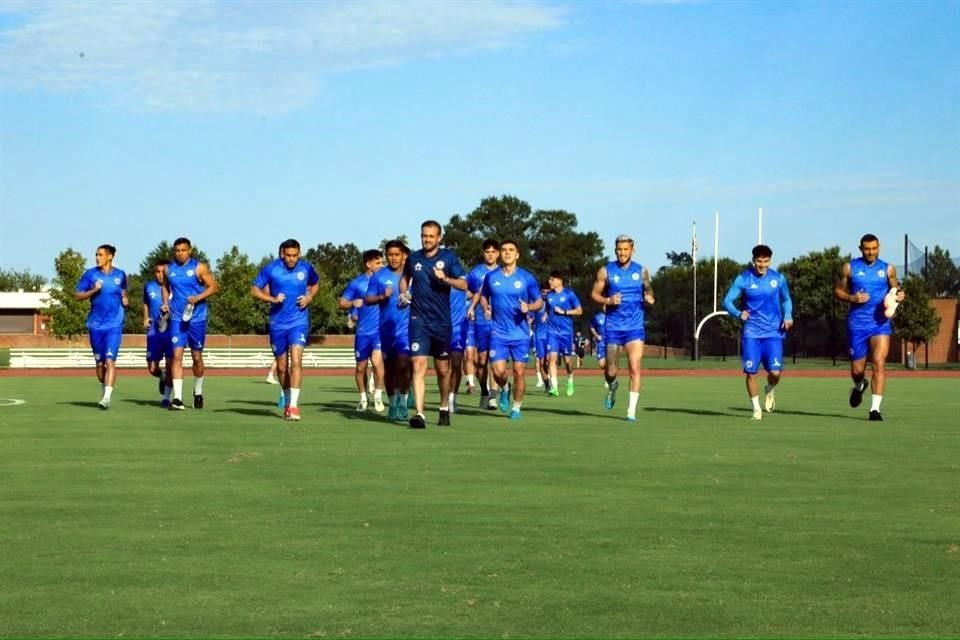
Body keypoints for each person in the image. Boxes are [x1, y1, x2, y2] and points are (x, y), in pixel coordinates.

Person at [400, 219, 467, 428]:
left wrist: (445, 279)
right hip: (418, 320)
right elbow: (404, 278)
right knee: (418, 365)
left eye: (431, 236)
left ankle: (444, 407)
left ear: (439, 237)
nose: (427, 239)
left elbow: (464, 284)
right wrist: (404, 292)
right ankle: (419, 414)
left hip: (442, 322)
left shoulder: (448, 257)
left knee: (443, 370)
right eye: (424, 235)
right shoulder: (413, 258)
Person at [834, 233, 905, 421]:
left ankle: (875, 410)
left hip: (880, 325)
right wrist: (852, 297)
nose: (871, 252)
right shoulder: (850, 267)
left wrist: (899, 295)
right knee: (857, 371)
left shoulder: (888, 269)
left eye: (874, 248)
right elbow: (838, 290)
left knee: (879, 362)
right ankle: (859, 385)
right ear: (861, 249)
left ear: (879, 247)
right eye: (867, 249)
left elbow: (896, 289)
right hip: (857, 325)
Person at [470, 238, 543, 420]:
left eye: (511, 250)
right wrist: (486, 307)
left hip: (520, 333)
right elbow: (484, 295)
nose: (507, 253)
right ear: (500, 254)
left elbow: (540, 301)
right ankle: (505, 387)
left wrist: (529, 307)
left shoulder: (527, 278)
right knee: (498, 372)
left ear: (517, 254)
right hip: (498, 332)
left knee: (519, 371)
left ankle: (516, 407)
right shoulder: (491, 277)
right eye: (504, 250)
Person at [251, 238, 320, 421]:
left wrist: (309, 297)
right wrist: (272, 299)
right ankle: (287, 399)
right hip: (277, 324)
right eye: (288, 255)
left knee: (296, 361)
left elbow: (315, 284)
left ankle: (294, 406)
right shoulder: (271, 269)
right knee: (282, 367)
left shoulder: (306, 268)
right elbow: (254, 290)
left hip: (299, 322)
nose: (291, 259)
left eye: (295, 255)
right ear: (282, 254)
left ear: (299, 253)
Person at [723, 244, 794, 421]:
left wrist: (788, 315)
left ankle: (769, 388)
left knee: (776, 373)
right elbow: (727, 301)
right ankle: (756, 410)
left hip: (773, 333)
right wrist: (739, 313)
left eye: (766, 261)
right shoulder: (744, 279)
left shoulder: (778, 278)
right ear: (753, 260)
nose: (762, 265)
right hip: (752, 333)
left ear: (770, 260)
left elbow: (786, 299)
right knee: (751, 372)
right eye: (759, 261)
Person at [590, 234, 655, 422]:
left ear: (632, 250)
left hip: (635, 327)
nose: (622, 253)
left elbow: (648, 289)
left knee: (635, 367)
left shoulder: (642, 271)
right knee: (610, 371)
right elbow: (594, 294)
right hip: (613, 328)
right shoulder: (605, 271)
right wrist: (608, 300)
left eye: (626, 249)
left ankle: (631, 411)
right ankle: (612, 386)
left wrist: (649, 296)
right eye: (619, 249)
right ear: (615, 250)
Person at [163, 237, 219, 411]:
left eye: (183, 250)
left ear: (190, 250)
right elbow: (165, 287)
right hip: (177, 318)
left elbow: (213, 287)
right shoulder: (168, 269)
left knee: (197, 358)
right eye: (177, 250)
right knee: (177, 356)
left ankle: (198, 390)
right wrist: (165, 303)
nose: (180, 253)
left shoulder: (199, 267)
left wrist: (198, 298)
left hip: (197, 318)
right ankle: (178, 398)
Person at [73, 244, 128, 409]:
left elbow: (123, 292)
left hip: (114, 324)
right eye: (96, 254)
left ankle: (106, 398)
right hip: (95, 325)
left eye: (101, 255)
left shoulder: (120, 275)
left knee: (110, 360)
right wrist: (92, 291)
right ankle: (103, 388)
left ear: (110, 257)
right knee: (99, 364)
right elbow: (77, 295)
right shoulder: (90, 275)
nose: (97, 258)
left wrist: (125, 299)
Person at [365, 239, 412, 422]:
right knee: (390, 368)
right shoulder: (379, 276)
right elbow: (368, 299)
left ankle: (403, 399)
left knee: (403, 362)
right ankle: (393, 403)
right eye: (390, 255)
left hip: (406, 329)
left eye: (396, 255)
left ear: (403, 256)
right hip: (385, 330)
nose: (393, 258)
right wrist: (381, 296)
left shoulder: (412, 276)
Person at [339, 249, 386, 413]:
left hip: (380, 331)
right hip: (363, 333)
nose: (382, 265)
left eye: (382, 262)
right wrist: (353, 304)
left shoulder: (385, 280)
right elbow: (342, 302)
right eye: (378, 262)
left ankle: (378, 397)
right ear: (368, 264)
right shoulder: (357, 283)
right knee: (360, 368)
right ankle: (363, 398)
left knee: (378, 362)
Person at [464, 239, 501, 410]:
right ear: (483, 253)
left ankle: (493, 396)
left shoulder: (504, 272)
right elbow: (469, 291)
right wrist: (470, 305)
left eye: (494, 251)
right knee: (481, 362)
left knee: (495, 359)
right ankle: (485, 391)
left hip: (500, 322)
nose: (490, 254)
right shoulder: (475, 273)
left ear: (498, 253)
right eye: (487, 251)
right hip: (480, 321)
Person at [545, 270, 583, 397]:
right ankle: (554, 387)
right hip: (552, 332)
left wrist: (564, 312)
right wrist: (545, 316)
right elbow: (547, 310)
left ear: (559, 280)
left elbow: (579, 311)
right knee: (552, 359)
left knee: (567, 361)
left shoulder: (569, 294)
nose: (549, 282)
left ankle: (570, 379)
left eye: (552, 279)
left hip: (566, 332)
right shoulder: (549, 296)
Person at [143, 259, 173, 406]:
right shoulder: (149, 287)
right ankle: (162, 376)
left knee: (170, 364)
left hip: (172, 331)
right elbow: (145, 303)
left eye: (163, 272)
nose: (160, 275)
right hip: (154, 331)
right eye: (157, 272)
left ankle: (166, 398)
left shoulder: (175, 287)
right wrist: (145, 318)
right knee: (152, 368)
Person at [590, 309, 607, 374]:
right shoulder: (597, 317)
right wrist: (597, 336)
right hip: (601, 342)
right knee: (601, 364)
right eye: (604, 305)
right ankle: (609, 376)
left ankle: (609, 381)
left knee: (610, 361)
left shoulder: (613, 316)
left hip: (610, 341)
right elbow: (592, 327)